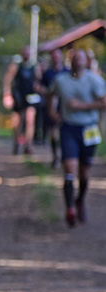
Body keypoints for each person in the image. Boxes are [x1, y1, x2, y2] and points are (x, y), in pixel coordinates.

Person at [47, 48, 106, 227]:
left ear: (86, 61)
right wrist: (52, 112)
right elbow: (51, 95)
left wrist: (81, 106)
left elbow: (104, 102)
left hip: (88, 129)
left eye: (81, 59)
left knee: (85, 171)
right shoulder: (60, 80)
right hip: (68, 128)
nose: (78, 61)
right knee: (70, 167)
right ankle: (69, 208)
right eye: (75, 59)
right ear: (70, 61)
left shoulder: (95, 80)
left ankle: (80, 200)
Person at [2, 46, 42, 154]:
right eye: (25, 52)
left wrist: (38, 87)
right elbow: (7, 80)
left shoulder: (35, 66)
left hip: (31, 97)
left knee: (30, 119)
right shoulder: (16, 66)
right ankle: (16, 142)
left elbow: (39, 81)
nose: (27, 54)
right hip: (18, 96)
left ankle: (28, 145)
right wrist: (7, 94)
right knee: (16, 121)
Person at [39, 49, 69, 168]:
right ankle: (55, 156)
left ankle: (64, 156)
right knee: (53, 134)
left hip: (66, 107)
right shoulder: (48, 74)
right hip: (51, 107)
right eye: (54, 56)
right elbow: (42, 88)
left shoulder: (68, 72)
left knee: (64, 134)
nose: (56, 58)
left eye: (58, 56)